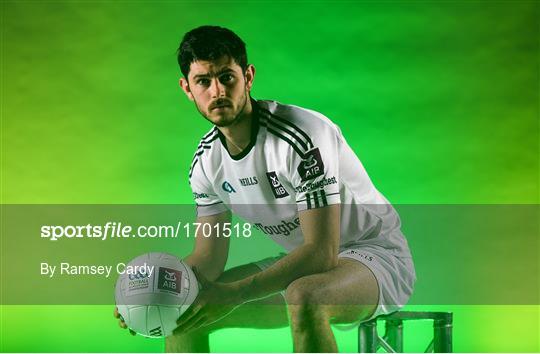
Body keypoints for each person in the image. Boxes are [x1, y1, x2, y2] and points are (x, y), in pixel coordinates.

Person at [115, 25, 416, 353]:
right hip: (302, 263)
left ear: (248, 76)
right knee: (186, 307)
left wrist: (235, 293)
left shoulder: (301, 135)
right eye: (204, 81)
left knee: (304, 296)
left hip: (375, 255)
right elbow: (208, 259)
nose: (217, 91)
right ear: (187, 88)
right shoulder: (205, 164)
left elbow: (321, 252)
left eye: (227, 77)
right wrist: (147, 294)